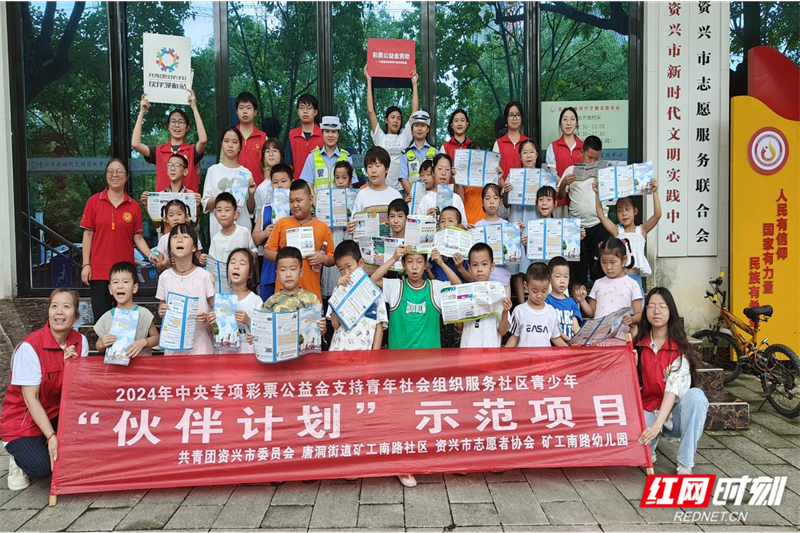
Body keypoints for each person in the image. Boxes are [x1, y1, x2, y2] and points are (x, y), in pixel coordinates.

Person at [370, 243, 461, 489]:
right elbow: (373, 280)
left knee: (427, 414)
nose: (414, 267)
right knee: (403, 416)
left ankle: (426, 457)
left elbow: (458, 287)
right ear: (404, 265)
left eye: (419, 262)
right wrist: (392, 258)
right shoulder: (396, 287)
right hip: (399, 368)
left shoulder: (435, 287)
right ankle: (404, 465)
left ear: (425, 264)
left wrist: (440, 263)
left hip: (429, 367)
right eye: (409, 262)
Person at [1, 289, 87, 490]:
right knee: (41, 468)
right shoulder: (30, 347)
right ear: (48, 312)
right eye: (54, 306)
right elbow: (30, 399)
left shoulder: (80, 341)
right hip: (24, 420)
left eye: (66, 306)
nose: (59, 312)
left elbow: (77, 391)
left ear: (75, 316)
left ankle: (44, 444)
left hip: (56, 413)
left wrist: (72, 368)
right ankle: (17, 458)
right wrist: (51, 436)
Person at [636, 287, 708, 475]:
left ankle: (685, 463)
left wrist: (656, 426)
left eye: (662, 306)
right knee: (633, 441)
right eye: (651, 306)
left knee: (697, 396)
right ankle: (650, 444)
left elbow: (672, 391)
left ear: (671, 311)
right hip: (647, 410)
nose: (656, 311)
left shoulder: (679, 350)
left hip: (674, 416)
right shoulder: (638, 346)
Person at [80, 158, 155, 321]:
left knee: (125, 319)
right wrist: (86, 264)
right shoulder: (94, 201)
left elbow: (138, 237)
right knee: (102, 319)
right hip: (99, 271)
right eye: (111, 171)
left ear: (127, 176)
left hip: (125, 272)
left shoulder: (133, 206)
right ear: (106, 175)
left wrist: (150, 255)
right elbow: (87, 235)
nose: (115, 175)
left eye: (119, 171)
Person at [264, 180, 335, 302]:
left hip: (311, 293)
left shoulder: (322, 227)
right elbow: (267, 251)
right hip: (283, 294)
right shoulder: (282, 223)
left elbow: (332, 259)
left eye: (299, 200)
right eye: (291, 201)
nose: (295, 205)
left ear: (311, 200)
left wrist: (322, 258)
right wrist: (285, 258)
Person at [593, 180, 662, 297]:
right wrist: (597, 193)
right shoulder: (617, 231)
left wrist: (655, 192)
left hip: (636, 277)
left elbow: (657, 215)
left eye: (627, 209)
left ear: (635, 211)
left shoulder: (642, 230)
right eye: (619, 211)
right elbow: (601, 215)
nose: (624, 213)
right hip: (619, 277)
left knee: (637, 304)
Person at [557, 135, 609, 285]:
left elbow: (611, 196)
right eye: (589, 157)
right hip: (576, 227)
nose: (592, 162)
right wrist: (564, 183)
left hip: (599, 224)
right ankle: (577, 297)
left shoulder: (602, 172)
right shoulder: (571, 170)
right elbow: (560, 196)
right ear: (581, 153)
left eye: (596, 159)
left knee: (599, 269)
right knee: (577, 272)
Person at [156, 224, 215, 356]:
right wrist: (161, 310)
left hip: (200, 347)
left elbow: (215, 308)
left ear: (194, 247)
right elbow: (161, 307)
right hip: (173, 348)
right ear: (169, 247)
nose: (179, 240)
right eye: (175, 237)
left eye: (185, 236)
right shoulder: (164, 277)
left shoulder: (204, 276)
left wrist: (207, 316)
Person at [131, 91, 208, 192]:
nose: (177, 125)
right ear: (168, 127)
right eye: (173, 121)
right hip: (163, 201)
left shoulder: (191, 151)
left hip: (187, 201)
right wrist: (141, 112)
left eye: (181, 122)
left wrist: (194, 107)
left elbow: (203, 140)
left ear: (187, 128)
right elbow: (135, 144)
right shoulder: (159, 151)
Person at [576, 238, 643, 342]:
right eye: (603, 262)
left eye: (613, 262)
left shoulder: (632, 284)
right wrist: (582, 301)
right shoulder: (598, 283)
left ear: (624, 259)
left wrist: (632, 319)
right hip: (598, 338)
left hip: (621, 337)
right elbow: (592, 312)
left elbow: (639, 314)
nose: (608, 267)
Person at [364, 65, 419, 192]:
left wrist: (415, 84)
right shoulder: (380, 137)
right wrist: (369, 81)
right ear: (386, 120)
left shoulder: (404, 137)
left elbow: (414, 112)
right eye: (392, 117)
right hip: (382, 189)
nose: (395, 121)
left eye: (399, 118)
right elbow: (371, 111)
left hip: (401, 190)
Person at [327, 241, 388, 351]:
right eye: (341, 269)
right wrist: (339, 294)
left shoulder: (374, 291)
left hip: (365, 350)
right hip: (340, 350)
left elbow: (379, 325)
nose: (346, 272)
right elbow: (335, 324)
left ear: (360, 263)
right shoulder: (338, 290)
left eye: (349, 266)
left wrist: (375, 353)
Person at [94, 262, 159, 357]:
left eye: (125, 282)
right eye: (115, 282)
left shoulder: (143, 314)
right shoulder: (106, 317)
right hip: (116, 365)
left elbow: (156, 338)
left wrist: (144, 342)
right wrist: (102, 344)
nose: (120, 286)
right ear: (110, 289)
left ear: (134, 288)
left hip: (141, 365)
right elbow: (98, 346)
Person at [202, 127, 256, 240]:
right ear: (222, 144)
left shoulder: (246, 173)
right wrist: (223, 197)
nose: (230, 145)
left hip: (242, 230)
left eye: (234, 142)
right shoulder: (213, 170)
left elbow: (250, 210)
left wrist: (251, 194)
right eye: (226, 141)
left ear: (240, 147)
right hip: (219, 233)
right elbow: (205, 204)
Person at [457, 243, 512, 348]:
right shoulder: (464, 293)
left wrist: (505, 311)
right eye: (475, 265)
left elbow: (503, 331)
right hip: (468, 349)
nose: (479, 269)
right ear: (469, 268)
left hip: (490, 350)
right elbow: (461, 326)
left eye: (484, 264)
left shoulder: (499, 293)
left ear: (492, 266)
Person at [506, 140, 542, 304]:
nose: (529, 155)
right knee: (517, 264)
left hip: (535, 221)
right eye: (525, 152)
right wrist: (506, 191)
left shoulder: (543, 176)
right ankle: (521, 303)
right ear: (520, 156)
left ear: (537, 155)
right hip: (517, 221)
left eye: (531, 152)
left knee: (534, 262)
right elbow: (506, 203)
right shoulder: (513, 176)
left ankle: (535, 301)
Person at [208, 248, 263, 354]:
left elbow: (263, 332)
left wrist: (248, 321)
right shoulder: (221, 301)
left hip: (248, 356)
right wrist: (212, 323)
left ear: (250, 273)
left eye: (242, 263)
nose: (236, 266)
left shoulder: (256, 301)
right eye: (232, 262)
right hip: (226, 357)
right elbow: (216, 335)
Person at [253, 164, 294, 300]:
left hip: (292, 268)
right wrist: (264, 233)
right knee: (269, 304)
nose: (280, 185)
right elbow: (255, 238)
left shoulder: (296, 209)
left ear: (291, 182)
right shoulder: (266, 209)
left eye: (284, 181)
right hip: (270, 268)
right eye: (275, 182)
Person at [506, 262, 567, 348]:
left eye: (544, 291)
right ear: (526, 286)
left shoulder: (551, 311)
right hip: (524, 356)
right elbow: (514, 337)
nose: (539, 295)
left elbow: (555, 337)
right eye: (535, 291)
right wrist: (503, 354)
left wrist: (570, 351)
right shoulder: (519, 311)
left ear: (549, 285)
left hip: (544, 357)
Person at [140, 153, 202, 236]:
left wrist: (197, 207)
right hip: (166, 238)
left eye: (177, 165)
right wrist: (146, 205)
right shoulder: (161, 195)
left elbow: (193, 224)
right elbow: (157, 225)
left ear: (185, 171)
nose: (172, 168)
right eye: (169, 165)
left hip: (185, 237)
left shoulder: (191, 194)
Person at [473, 183, 516, 289]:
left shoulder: (506, 225)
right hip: (482, 280)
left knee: (505, 301)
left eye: (495, 198)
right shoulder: (477, 226)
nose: (491, 202)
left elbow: (511, 255)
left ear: (500, 201)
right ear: (482, 202)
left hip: (502, 279)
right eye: (487, 198)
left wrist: (516, 236)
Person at [299, 116, 356, 194]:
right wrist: (315, 202)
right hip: (317, 201)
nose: (330, 135)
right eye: (327, 131)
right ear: (322, 133)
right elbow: (309, 185)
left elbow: (350, 185)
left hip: (340, 201)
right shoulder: (312, 156)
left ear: (338, 134)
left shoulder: (347, 157)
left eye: (334, 132)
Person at [546, 107, 583, 215]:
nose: (568, 123)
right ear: (560, 123)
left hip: (579, 198)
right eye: (565, 119)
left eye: (572, 119)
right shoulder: (552, 147)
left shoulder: (584, 146)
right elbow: (553, 174)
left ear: (576, 123)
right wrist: (565, 184)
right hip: (560, 200)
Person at [154, 199, 207, 272]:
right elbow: (158, 267)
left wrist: (202, 259)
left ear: (186, 216)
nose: (175, 218)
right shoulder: (163, 239)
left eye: (179, 214)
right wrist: (165, 263)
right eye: (171, 215)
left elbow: (199, 261)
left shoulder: (192, 236)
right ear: (166, 219)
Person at [349, 146, 402, 218]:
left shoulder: (395, 195)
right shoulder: (362, 195)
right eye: (370, 167)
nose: (373, 170)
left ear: (386, 169)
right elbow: (355, 220)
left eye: (377, 166)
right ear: (366, 170)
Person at [416, 153, 468, 225]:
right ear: (433, 172)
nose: (443, 173)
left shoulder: (456, 198)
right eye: (440, 169)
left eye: (447, 169)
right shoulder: (426, 199)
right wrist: (426, 218)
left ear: (451, 173)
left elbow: (464, 225)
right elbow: (417, 225)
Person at [208, 192, 258, 266]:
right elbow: (213, 262)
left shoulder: (244, 232)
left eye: (227, 210)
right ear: (215, 214)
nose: (223, 214)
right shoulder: (216, 239)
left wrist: (253, 254)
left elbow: (253, 249)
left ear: (235, 214)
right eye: (219, 210)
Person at [427, 207, 471, 283]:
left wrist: (460, 267)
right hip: (440, 288)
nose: (446, 224)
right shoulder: (435, 248)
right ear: (438, 226)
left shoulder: (465, 249)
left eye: (450, 221)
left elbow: (471, 279)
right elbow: (434, 277)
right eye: (442, 221)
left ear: (459, 226)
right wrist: (427, 269)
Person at [398, 110, 437, 195]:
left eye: (423, 125)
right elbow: (403, 178)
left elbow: (438, 176)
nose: (419, 129)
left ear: (428, 129)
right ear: (412, 129)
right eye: (416, 125)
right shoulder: (405, 154)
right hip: (413, 198)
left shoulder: (435, 152)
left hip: (432, 197)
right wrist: (414, 196)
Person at [286, 94, 323, 180]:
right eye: (302, 108)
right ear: (298, 112)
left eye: (309, 108)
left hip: (319, 183)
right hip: (297, 183)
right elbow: (289, 163)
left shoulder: (323, 134)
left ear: (315, 112)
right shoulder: (292, 135)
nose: (305, 111)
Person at [545, 256, 582, 342]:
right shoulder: (546, 301)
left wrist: (581, 339)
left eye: (566, 277)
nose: (562, 281)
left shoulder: (572, 302)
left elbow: (576, 327)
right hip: (555, 345)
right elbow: (554, 329)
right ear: (549, 278)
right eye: (558, 276)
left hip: (571, 344)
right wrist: (569, 340)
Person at [235, 92, 268, 185]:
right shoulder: (231, 136)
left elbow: (267, 168)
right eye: (241, 108)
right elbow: (223, 163)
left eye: (249, 108)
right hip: (234, 189)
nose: (245, 111)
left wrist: (264, 189)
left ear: (255, 112)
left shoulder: (263, 138)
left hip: (257, 189)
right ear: (237, 112)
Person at [493, 102, 529, 180]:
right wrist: (504, 186)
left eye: (518, 115)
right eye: (511, 115)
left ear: (522, 119)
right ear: (506, 119)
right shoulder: (498, 143)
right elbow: (495, 171)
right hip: (502, 187)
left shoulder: (528, 142)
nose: (514, 118)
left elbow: (532, 170)